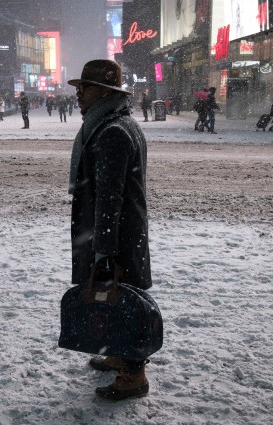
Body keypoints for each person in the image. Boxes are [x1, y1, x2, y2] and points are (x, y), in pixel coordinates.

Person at [67, 59, 152, 401]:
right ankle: (120, 354)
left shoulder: (112, 131)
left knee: (124, 299)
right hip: (125, 233)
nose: (78, 95)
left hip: (116, 237)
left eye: (84, 88)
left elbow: (109, 199)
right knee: (119, 299)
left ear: (104, 91)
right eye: (78, 88)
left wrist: (104, 254)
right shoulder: (115, 124)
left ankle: (134, 375)